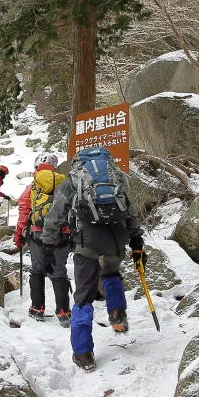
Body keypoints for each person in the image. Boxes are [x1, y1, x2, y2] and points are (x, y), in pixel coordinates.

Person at [41, 150, 144, 372]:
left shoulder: (73, 180)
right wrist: (136, 240)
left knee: (83, 296)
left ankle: (83, 353)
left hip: (87, 242)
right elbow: (130, 211)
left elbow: (55, 215)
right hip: (116, 239)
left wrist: (49, 244)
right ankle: (117, 314)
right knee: (111, 274)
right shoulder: (116, 176)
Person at [14, 153, 72, 326]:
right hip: (61, 233)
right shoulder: (65, 183)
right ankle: (63, 311)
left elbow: (24, 210)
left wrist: (19, 234)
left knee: (37, 270)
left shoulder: (33, 186)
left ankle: (37, 308)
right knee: (59, 271)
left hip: (37, 233)